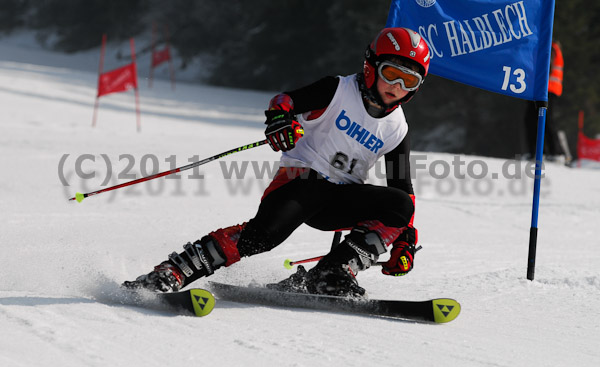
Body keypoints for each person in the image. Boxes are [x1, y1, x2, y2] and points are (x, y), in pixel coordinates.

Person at [124, 27, 430, 297]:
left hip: (341, 200)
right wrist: (281, 121)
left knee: (401, 204)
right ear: (371, 66)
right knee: (263, 238)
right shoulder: (337, 90)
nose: (397, 87)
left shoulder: (397, 127)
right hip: (302, 183)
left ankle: (332, 273)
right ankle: (175, 271)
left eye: (409, 80)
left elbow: (402, 185)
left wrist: (405, 238)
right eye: (392, 73)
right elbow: (285, 101)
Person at [525, 39, 564, 160]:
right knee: (535, 119)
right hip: (544, 89)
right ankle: (541, 152)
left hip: (546, 89)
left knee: (543, 120)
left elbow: (548, 68)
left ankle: (554, 153)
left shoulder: (549, 47)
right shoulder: (551, 47)